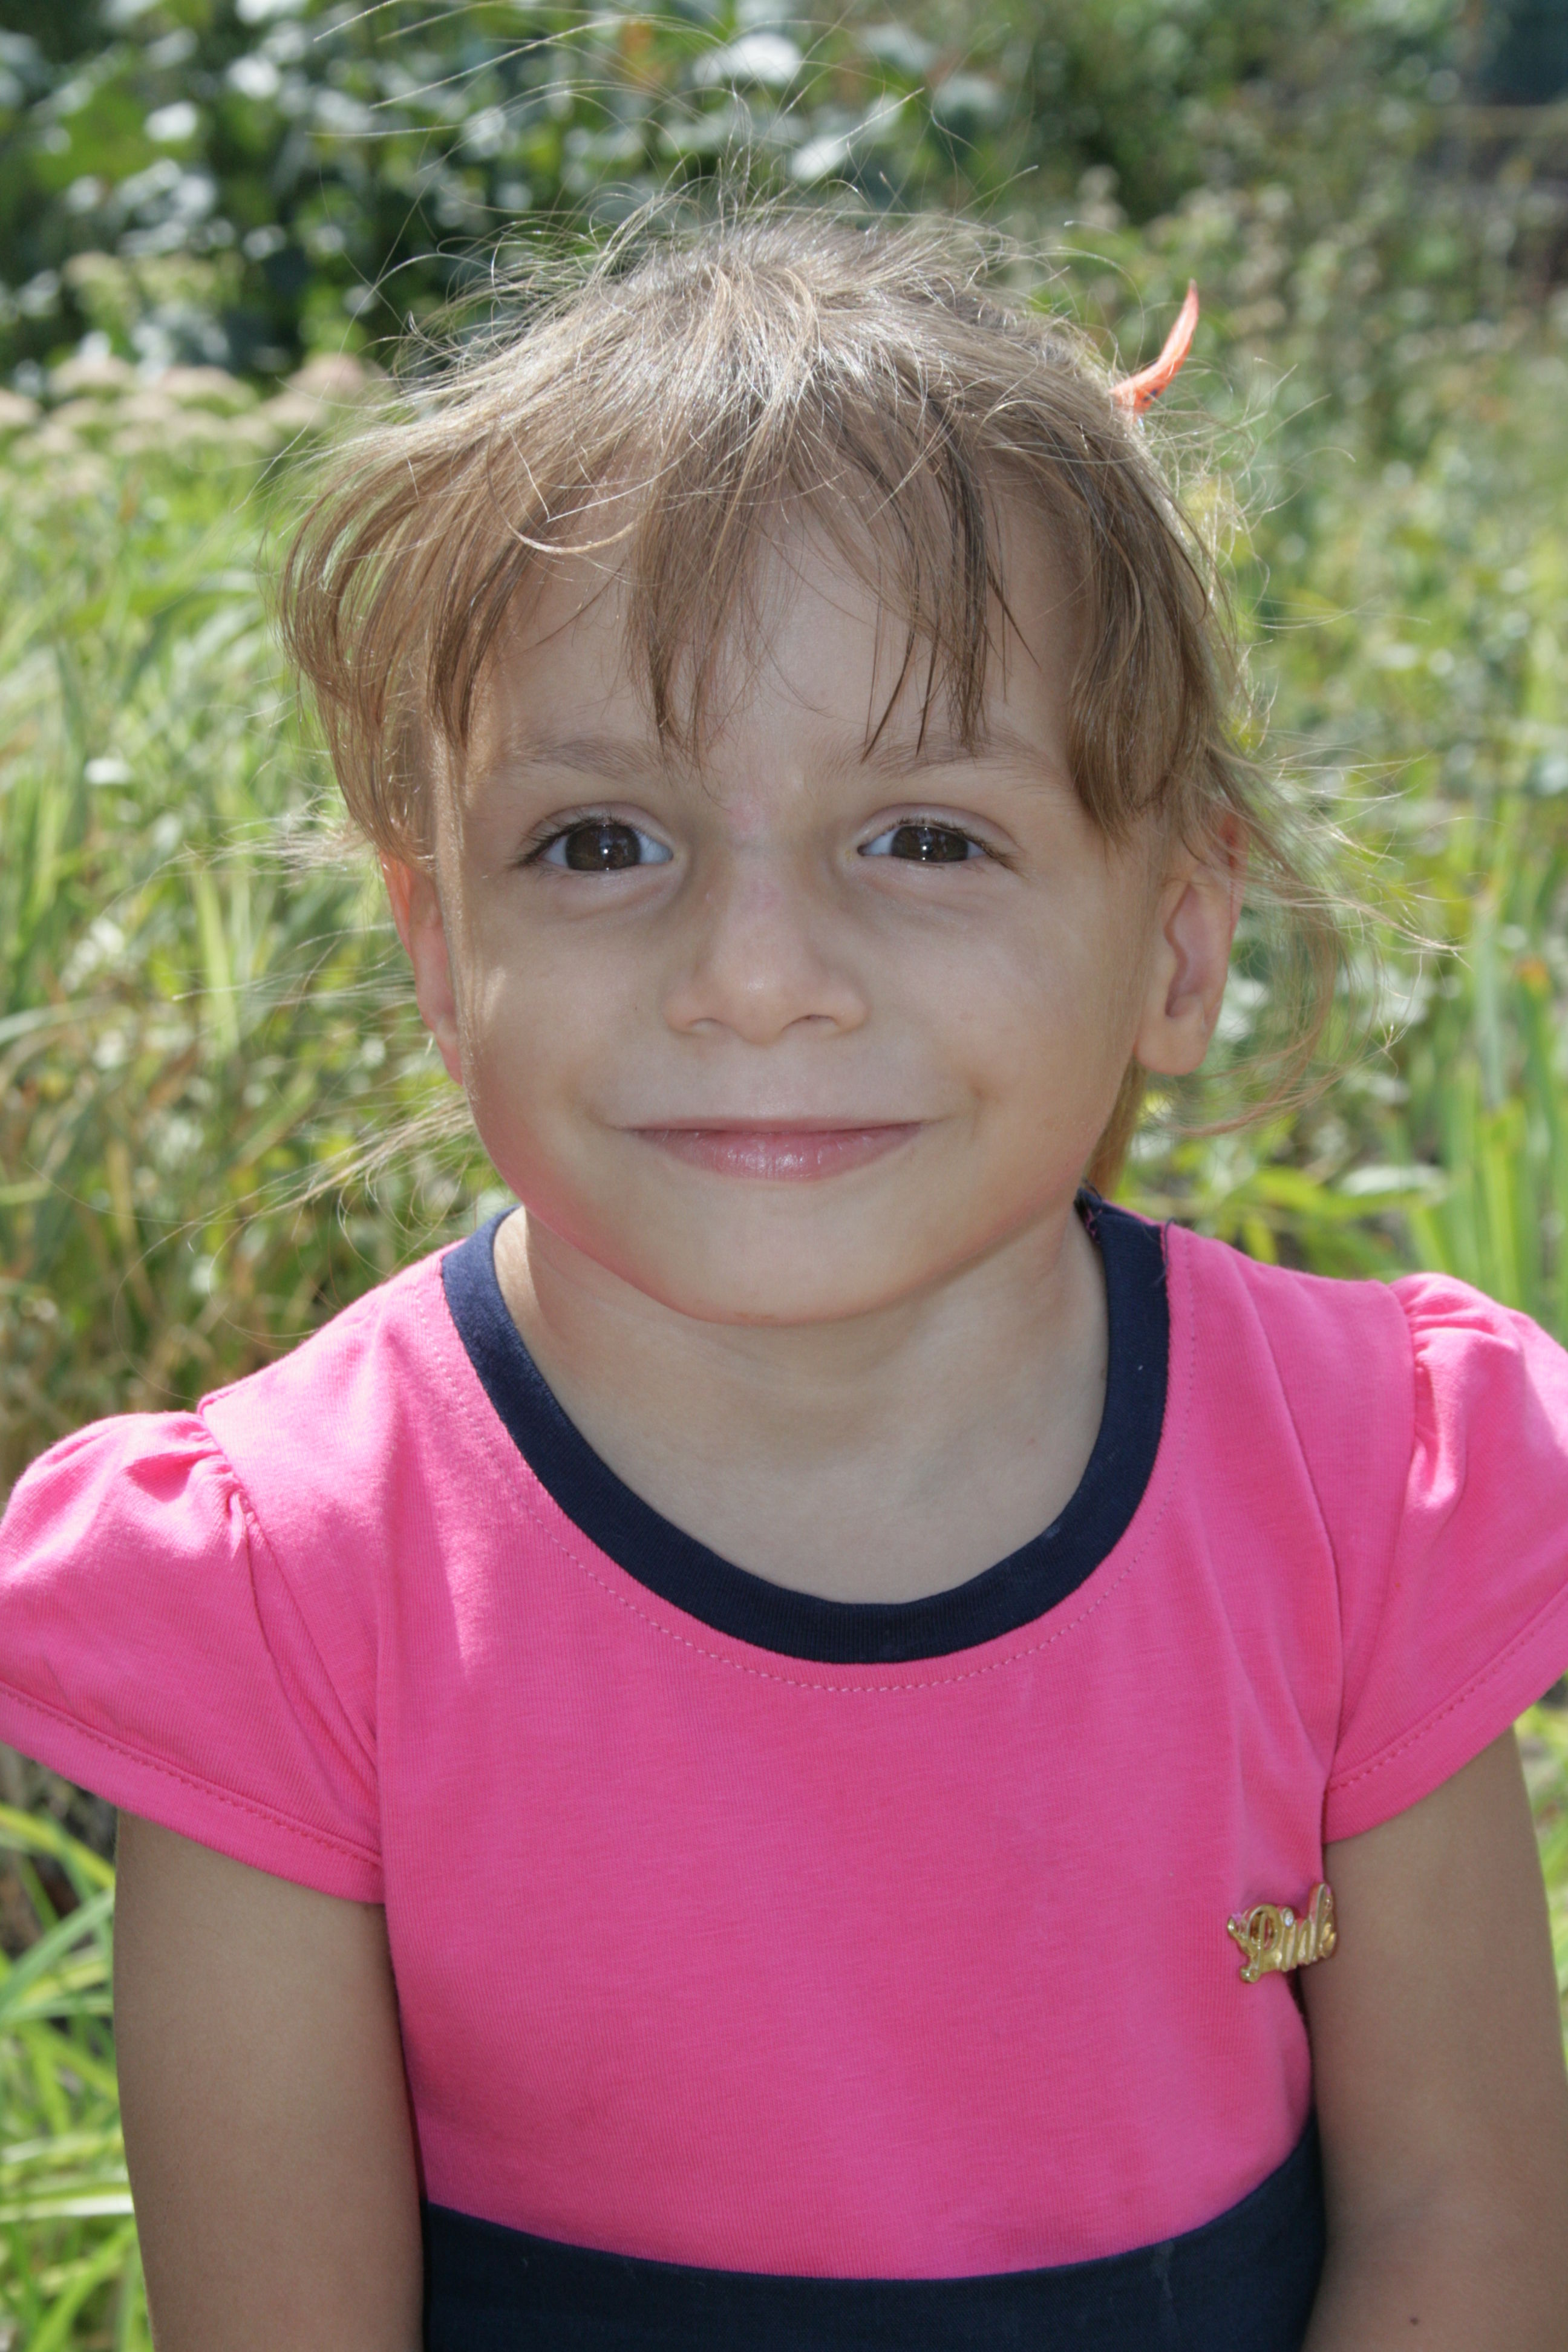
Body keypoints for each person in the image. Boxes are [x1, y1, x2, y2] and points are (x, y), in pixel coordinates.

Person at [1, 211, 1566, 2352]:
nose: (753, 977)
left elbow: (1468, 2227)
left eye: (927, 835)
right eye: (599, 842)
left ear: (1181, 941)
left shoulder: (1362, 1486)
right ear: (442, 952)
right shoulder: (282, 1593)